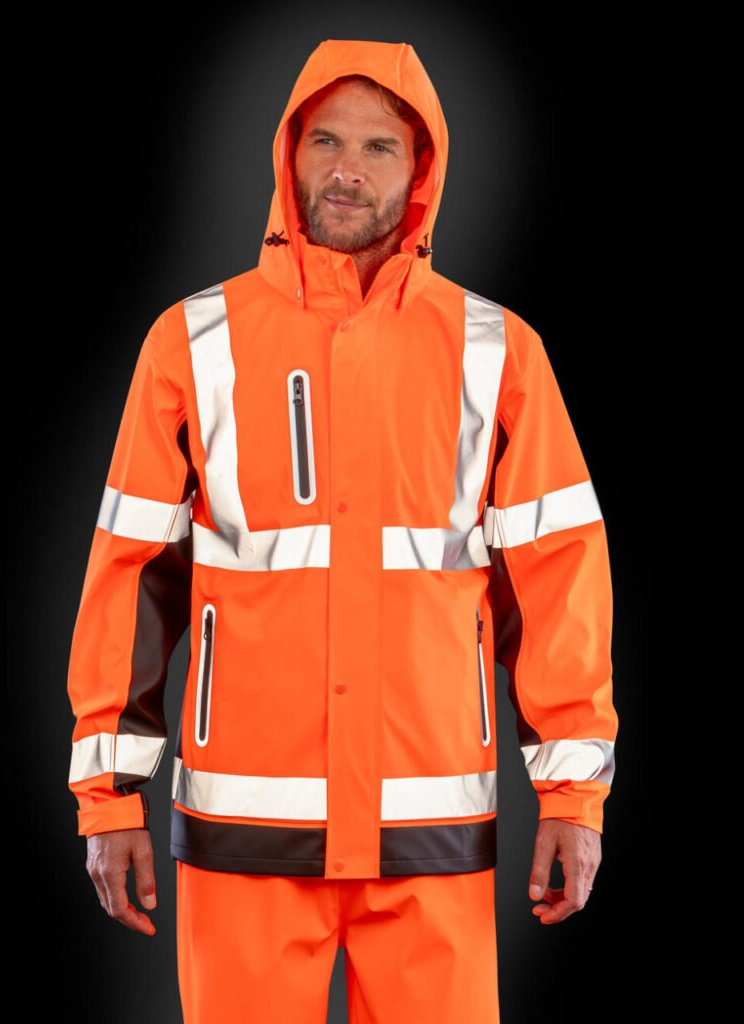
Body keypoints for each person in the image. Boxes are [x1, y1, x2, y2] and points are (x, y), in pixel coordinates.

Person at [66, 38, 618, 1023]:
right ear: (289, 154)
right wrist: (109, 800)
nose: (348, 168)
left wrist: (572, 798)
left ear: (422, 172)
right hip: (243, 833)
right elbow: (133, 576)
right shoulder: (193, 340)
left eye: (378, 146)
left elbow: (556, 580)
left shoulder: (498, 351)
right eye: (325, 139)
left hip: (431, 834)